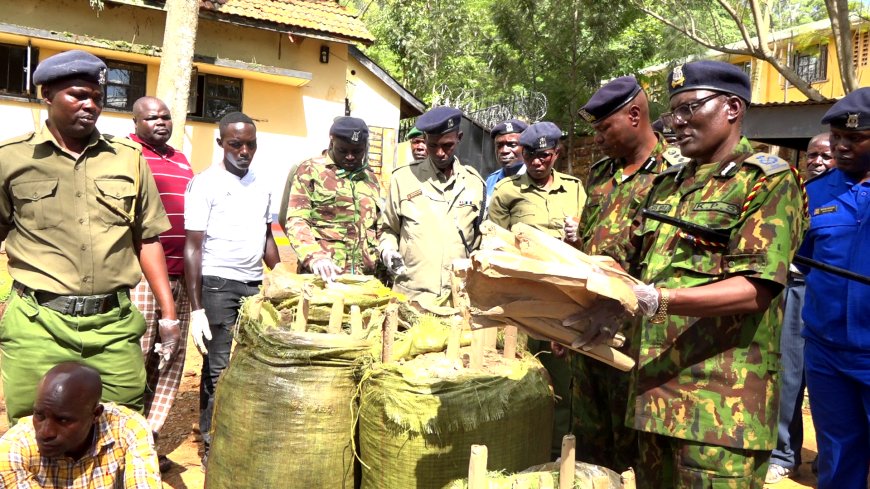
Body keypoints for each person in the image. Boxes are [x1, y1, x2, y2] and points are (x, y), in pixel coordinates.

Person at [574, 60, 806, 488]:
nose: (677, 123)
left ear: (732, 108)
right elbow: (630, 269)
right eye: (672, 112)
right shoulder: (667, 185)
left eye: (689, 109)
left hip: (718, 410)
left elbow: (756, 289)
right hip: (653, 399)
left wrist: (660, 300)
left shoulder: (766, 182)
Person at [0, 50, 180, 425]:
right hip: (37, 323)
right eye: (78, 95)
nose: (90, 105)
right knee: (37, 430)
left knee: (119, 426)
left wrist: (169, 314)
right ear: (46, 95)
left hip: (112, 324)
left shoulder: (128, 158)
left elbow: (147, 238)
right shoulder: (11, 159)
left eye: (97, 97)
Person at [570, 76, 686, 473]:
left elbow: (670, 266)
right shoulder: (601, 174)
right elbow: (586, 250)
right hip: (589, 331)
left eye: (605, 128)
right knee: (590, 441)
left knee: (636, 450)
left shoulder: (677, 175)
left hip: (639, 340)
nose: (598, 138)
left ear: (635, 115)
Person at [184, 111, 280, 468]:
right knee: (218, 367)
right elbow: (193, 248)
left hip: (253, 286)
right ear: (221, 143)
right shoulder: (204, 184)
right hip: (217, 286)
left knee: (251, 363)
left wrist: (282, 272)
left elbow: (267, 235)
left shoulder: (263, 183)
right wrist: (196, 309)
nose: (243, 150)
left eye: (250, 144)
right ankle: (212, 441)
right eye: (235, 143)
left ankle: (242, 431)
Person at [487, 121, 585, 457]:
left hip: (565, 299)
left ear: (556, 153)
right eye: (530, 154)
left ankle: (558, 455)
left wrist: (578, 235)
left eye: (544, 154)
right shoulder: (506, 191)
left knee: (562, 383)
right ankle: (517, 449)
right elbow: (493, 245)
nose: (537, 161)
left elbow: (587, 245)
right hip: (523, 301)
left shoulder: (575, 189)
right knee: (521, 377)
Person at [799, 87, 870, 489]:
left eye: (854, 138)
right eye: (837, 137)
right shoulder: (813, 194)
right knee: (838, 455)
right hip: (827, 353)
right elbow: (801, 261)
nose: (840, 147)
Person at [128, 96, 194, 472]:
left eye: (166, 117)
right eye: (152, 117)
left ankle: (149, 439)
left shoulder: (179, 158)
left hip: (180, 274)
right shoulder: (127, 155)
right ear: (136, 121)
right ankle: (122, 438)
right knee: (135, 354)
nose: (161, 122)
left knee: (169, 358)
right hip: (139, 276)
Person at [765, 131, 836, 484]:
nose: (818, 162)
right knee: (790, 374)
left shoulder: (852, 193)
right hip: (792, 289)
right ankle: (785, 453)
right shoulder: (796, 192)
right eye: (812, 155)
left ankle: (830, 456)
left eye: (826, 155)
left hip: (831, 295)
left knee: (830, 382)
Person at [379, 106, 485, 306]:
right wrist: (388, 252)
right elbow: (389, 230)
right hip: (411, 298)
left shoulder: (475, 184)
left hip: (458, 299)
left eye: (447, 145)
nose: (440, 153)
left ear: (459, 138)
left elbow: (480, 242)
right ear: (425, 139)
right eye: (433, 145)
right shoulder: (403, 178)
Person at [0, 362, 161, 488]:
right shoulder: (13, 448)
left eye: (63, 420)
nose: (46, 432)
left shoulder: (128, 428)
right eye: (39, 415)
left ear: (95, 414)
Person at [282, 117, 380, 282]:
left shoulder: (370, 178)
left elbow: (377, 227)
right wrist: (314, 256)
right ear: (332, 141)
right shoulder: (309, 170)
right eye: (343, 150)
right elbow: (295, 220)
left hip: (364, 280)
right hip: (323, 277)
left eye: (357, 151)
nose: (350, 157)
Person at [484, 119, 528, 199]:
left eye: (512, 145)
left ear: (525, 147)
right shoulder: (491, 181)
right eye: (499, 145)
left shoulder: (536, 178)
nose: (504, 151)